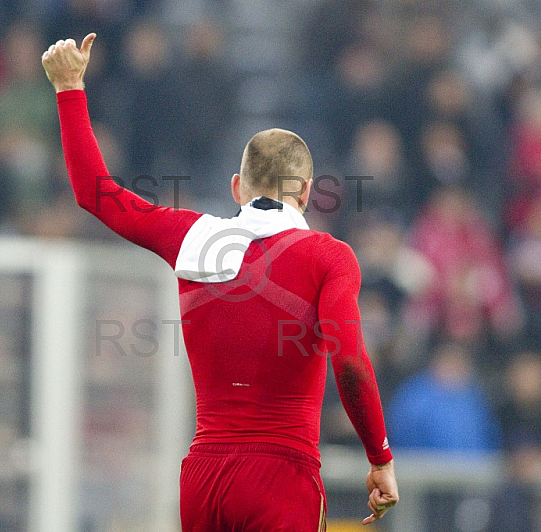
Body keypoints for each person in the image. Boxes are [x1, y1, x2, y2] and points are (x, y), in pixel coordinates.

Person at [42, 33, 399, 530]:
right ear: (308, 192)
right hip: (284, 476)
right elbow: (350, 361)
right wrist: (379, 455)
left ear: (237, 187)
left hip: (204, 480)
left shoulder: (190, 236)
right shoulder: (329, 257)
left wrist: (69, 88)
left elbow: (95, 195)